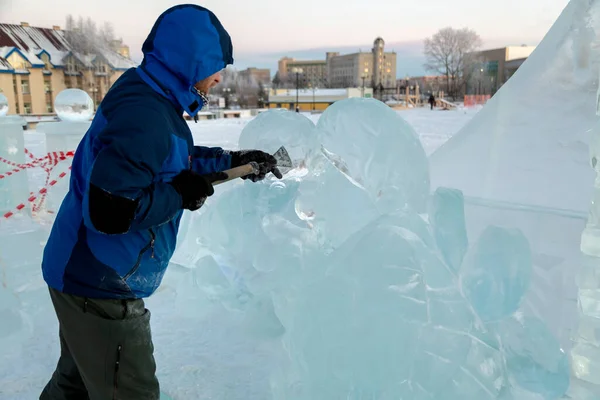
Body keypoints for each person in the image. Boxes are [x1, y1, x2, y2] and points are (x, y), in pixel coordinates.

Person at [40, 5, 281, 400]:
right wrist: (180, 196)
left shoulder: (151, 97)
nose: (219, 77)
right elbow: (109, 211)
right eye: (216, 66)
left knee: (77, 384)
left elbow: (167, 158)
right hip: (98, 281)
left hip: (82, 274)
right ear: (191, 61)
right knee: (129, 390)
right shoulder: (146, 112)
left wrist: (232, 161)